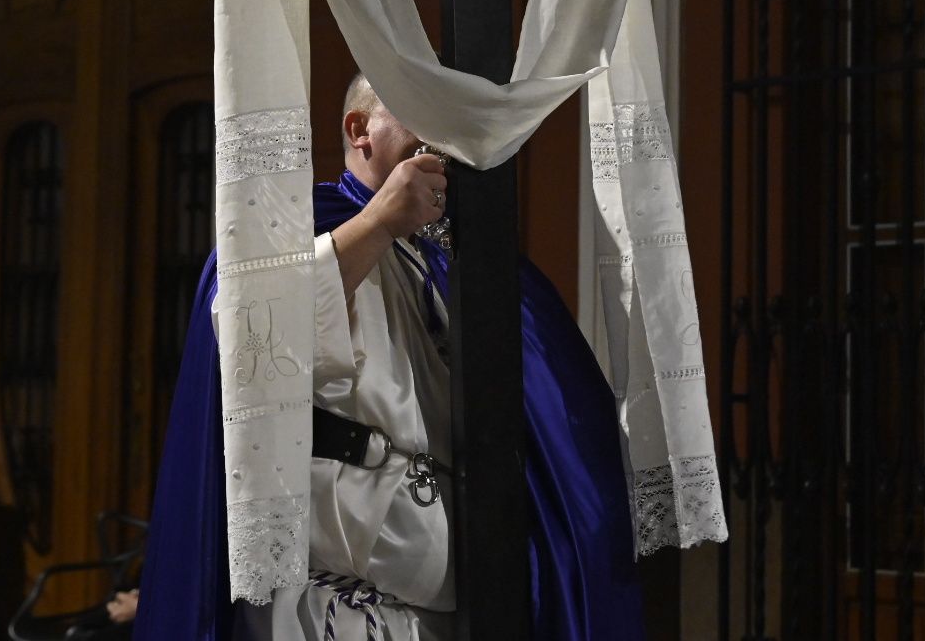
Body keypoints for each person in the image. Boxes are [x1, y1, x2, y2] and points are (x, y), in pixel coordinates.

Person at [134, 74, 644, 639]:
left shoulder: (471, 264)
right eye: (422, 114)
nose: (444, 142)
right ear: (361, 131)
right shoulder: (296, 230)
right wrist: (380, 221)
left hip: (448, 613)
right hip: (332, 609)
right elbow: (251, 338)